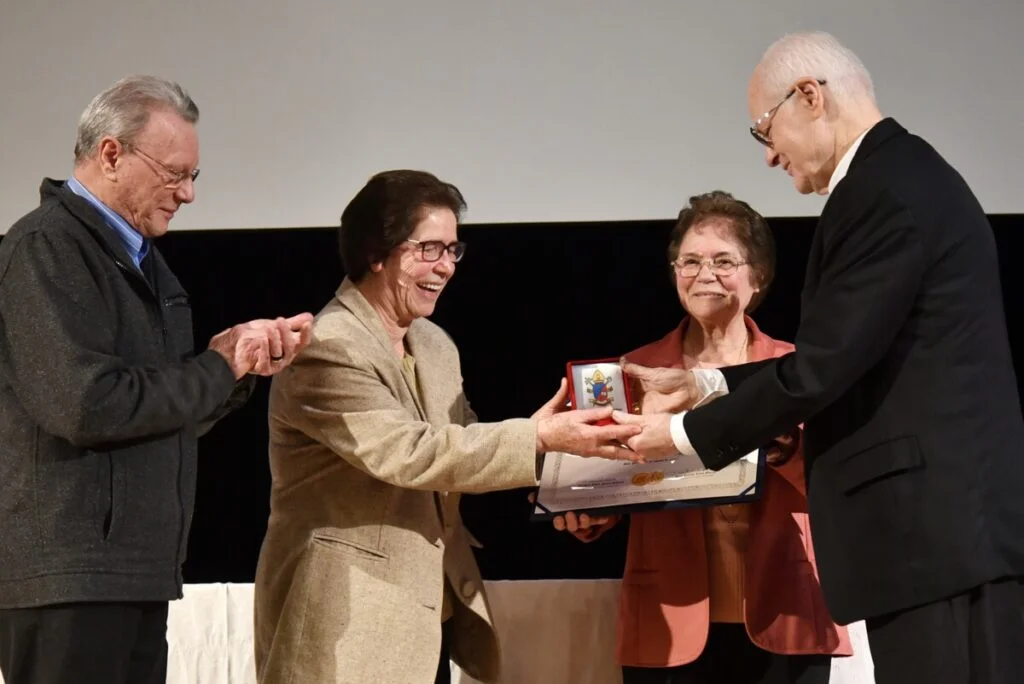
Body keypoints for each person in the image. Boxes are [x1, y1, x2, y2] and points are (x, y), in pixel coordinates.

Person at [612, 31, 1024, 684]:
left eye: (763, 131)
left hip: (935, 537)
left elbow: (822, 367)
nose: (771, 156)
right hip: (941, 536)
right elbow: (839, 356)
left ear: (809, 97)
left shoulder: (886, 189)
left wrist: (681, 433)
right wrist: (706, 382)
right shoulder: (899, 178)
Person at [252, 169, 641, 684]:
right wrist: (540, 436)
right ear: (376, 251)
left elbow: (467, 447)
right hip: (345, 623)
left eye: (453, 251)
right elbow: (412, 453)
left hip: (427, 617)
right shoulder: (325, 348)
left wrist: (563, 483)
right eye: (429, 249)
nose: (446, 267)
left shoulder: (434, 344)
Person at [0, 75, 313, 684]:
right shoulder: (46, 250)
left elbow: (154, 415)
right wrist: (216, 366)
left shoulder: (144, 261)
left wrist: (235, 368)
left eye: (194, 176)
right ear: (111, 153)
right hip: (71, 580)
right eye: (174, 174)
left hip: (133, 572)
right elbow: (87, 407)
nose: (188, 194)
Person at [553, 191, 850, 684]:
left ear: (758, 277)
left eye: (723, 261)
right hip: (669, 618)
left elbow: (836, 478)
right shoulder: (636, 370)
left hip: (788, 613)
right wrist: (587, 509)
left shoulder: (797, 369)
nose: (703, 274)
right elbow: (608, 474)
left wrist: (785, 450)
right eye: (689, 261)